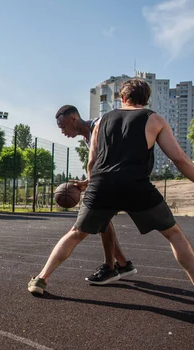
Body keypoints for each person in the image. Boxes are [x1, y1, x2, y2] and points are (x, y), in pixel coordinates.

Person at [28, 78, 194, 313]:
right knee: (174, 234)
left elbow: (92, 162)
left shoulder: (102, 121)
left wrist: (90, 185)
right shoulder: (154, 119)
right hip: (136, 185)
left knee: (75, 233)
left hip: (102, 185)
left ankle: (41, 279)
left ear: (122, 98)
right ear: (146, 99)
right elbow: (179, 159)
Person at [55, 105, 136, 285]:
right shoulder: (87, 136)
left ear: (73, 119)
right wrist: (88, 182)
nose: (62, 131)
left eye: (63, 126)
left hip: (122, 179)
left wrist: (93, 181)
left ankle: (111, 267)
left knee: (99, 221)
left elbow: (107, 160)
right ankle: (122, 264)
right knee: (103, 222)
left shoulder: (99, 126)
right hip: (112, 179)